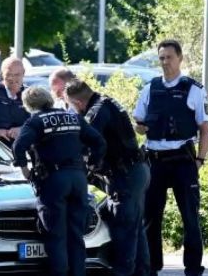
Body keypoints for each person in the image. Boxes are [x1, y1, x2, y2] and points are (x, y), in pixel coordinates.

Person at [133, 39, 208, 276]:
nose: (165, 62)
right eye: (162, 58)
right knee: (150, 217)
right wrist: (141, 128)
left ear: (180, 59)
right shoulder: (150, 88)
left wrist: (199, 160)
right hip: (154, 159)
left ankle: (193, 268)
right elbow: (138, 122)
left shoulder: (194, 89)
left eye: (169, 57)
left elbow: (205, 129)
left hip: (182, 161)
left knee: (190, 217)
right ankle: (151, 267)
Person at [12, 86, 106, 276]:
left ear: (29, 105)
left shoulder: (35, 122)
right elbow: (99, 142)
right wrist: (92, 166)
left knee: (56, 236)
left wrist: (24, 170)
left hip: (54, 181)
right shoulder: (73, 117)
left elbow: (18, 146)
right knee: (76, 235)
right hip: (78, 179)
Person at [65, 79, 151, 276]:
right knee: (133, 228)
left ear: (77, 103)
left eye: (71, 105)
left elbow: (90, 143)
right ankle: (142, 271)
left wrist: (83, 166)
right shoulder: (107, 102)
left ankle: (124, 272)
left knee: (124, 232)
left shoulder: (95, 113)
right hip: (136, 170)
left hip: (125, 176)